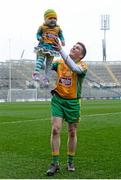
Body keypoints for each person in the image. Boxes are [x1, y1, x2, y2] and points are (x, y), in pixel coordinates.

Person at [46, 41, 88, 176]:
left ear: (81, 55)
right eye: (74, 46)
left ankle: (70, 161)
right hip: (58, 99)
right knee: (55, 129)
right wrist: (46, 53)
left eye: (77, 48)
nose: (73, 48)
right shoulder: (59, 62)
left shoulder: (82, 66)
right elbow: (47, 67)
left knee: (72, 132)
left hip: (73, 103)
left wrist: (61, 50)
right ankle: (55, 163)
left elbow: (74, 69)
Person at [32, 9, 65, 86]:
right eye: (50, 18)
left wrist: (62, 41)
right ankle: (36, 73)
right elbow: (38, 34)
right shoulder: (42, 27)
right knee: (40, 59)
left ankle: (46, 78)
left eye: (54, 18)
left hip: (52, 48)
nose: (53, 20)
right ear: (45, 19)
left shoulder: (58, 29)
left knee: (49, 64)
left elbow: (61, 35)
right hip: (43, 46)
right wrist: (39, 37)